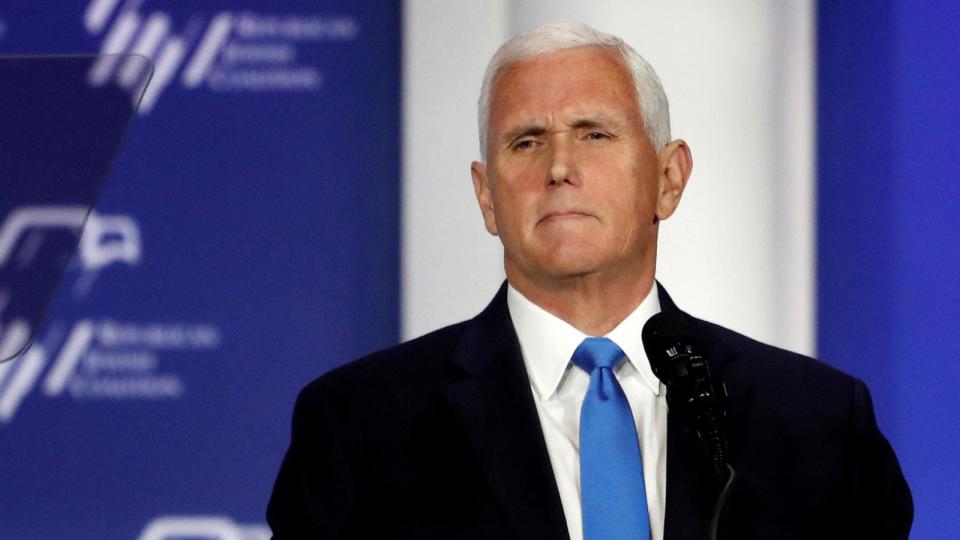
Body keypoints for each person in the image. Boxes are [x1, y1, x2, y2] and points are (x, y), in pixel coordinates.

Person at [267, 23, 912, 540]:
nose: (560, 167)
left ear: (669, 178)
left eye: (595, 134)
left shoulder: (817, 423)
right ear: (486, 195)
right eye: (525, 142)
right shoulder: (360, 429)